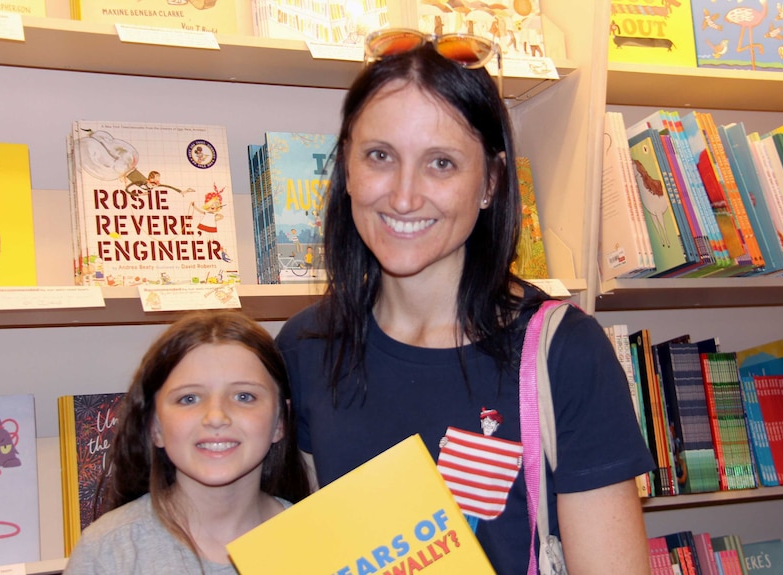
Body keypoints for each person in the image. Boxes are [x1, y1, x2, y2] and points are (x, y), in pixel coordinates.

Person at [275, 30, 655, 575]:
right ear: (347, 170)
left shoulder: (564, 353)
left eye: (442, 164)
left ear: (490, 182)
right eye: (380, 155)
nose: (404, 197)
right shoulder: (307, 347)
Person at [65, 310, 310, 574]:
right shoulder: (107, 552)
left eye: (244, 396)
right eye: (189, 399)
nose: (216, 417)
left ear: (280, 421)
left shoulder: (319, 542)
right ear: (155, 426)